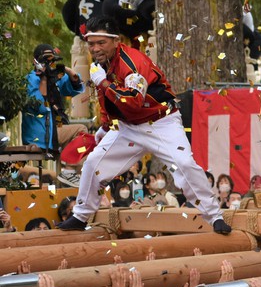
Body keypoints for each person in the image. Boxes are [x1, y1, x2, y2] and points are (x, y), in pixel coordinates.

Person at [58, 16, 231, 234]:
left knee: (184, 164)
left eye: (101, 42)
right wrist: (105, 125)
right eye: (91, 44)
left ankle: (215, 216)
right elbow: (105, 99)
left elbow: (132, 102)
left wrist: (103, 82)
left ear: (116, 40)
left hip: (161, 122)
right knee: (93, 163)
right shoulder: (100, 65)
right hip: (127, 127)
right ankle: (80, 216)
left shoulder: (133, 63)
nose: (95, 48)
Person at [21, 44, 87, 187]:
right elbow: (40, 106)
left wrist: (66, 70)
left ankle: (69, 175)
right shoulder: (30, 79)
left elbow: (76, 86)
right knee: (81, 130)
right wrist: (43, 78)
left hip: (54, 130)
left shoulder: (54, 77)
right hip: (40, 134)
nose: (49, 64)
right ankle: (68, 171)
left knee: (82, 142)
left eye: (52, 61)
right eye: (46, 61)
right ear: (36, 62)